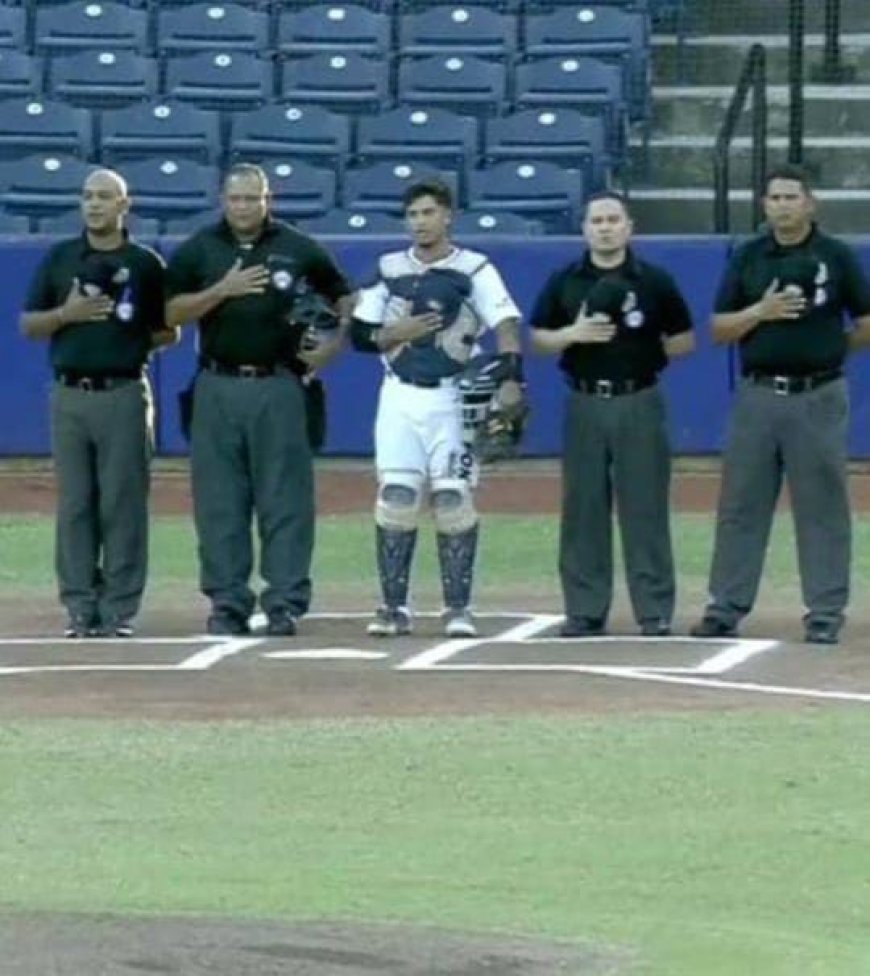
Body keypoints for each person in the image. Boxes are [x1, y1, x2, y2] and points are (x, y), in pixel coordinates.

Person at [165, 163, 353, 637]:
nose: (244, 207)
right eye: (236, 199)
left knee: (285, 499)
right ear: (223, 200)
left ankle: (284, 602)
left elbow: (345, 296)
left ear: (269, 199)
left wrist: (335, 342)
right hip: (217, 383)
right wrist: (220, 291)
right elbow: (169, 311)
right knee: (219, 503)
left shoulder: (297, 246)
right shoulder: (200, 249)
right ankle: (227, 601)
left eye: (254, 198)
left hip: (280, 384)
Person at [691, 164, 870, 645]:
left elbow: (867, 318)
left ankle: (826, 611)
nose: (783, 205)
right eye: (775, 198)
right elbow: (719, 328)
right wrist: (760, 312)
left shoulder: (836, 257)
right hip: (758, 394)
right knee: (741, 503)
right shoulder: (749, 257)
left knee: (822, 506)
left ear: (811, 203)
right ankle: (725, 605)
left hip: (819, 394)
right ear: (764, 205)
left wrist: (832, 347)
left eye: (792, 197)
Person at [351, 179, 524, 638]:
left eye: (429, 213)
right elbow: (360, 336)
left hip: (452, 395)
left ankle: (457, 608)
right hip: (399, 394)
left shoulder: (474, 267)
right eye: (413, 214)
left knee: (452, 497)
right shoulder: (387, 268)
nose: (420, 222)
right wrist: (397, 332)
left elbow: (504, 321)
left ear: (447, 216)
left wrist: (510, 377)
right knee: (397, 497)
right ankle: (392, 606)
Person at [530, 191, 694, 637]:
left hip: (639, 399)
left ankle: (654, 610)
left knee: (645, 506)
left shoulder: (654, 281)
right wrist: (574, 333)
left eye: (612, 219)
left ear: (629, 226)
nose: (604, 227)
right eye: (596, 220)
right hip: (583, 400)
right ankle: (585, 608)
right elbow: (539, 338)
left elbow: (684, 340)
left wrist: (642, 348)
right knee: (583, 507)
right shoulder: (565, 280)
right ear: (584, 229)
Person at [20, 168, 176, 638]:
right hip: (69, 394)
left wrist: (125, 337)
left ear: (124, 205)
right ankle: (79, 606)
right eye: (88, 196)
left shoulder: (145, 263)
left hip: (124, 391)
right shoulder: (61, 257)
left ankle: (119, 609)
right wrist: (68, 314)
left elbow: (169, 329)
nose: (94, 205)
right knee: (75, 505)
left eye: (105, 197)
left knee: (123, 503)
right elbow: (29, 324)